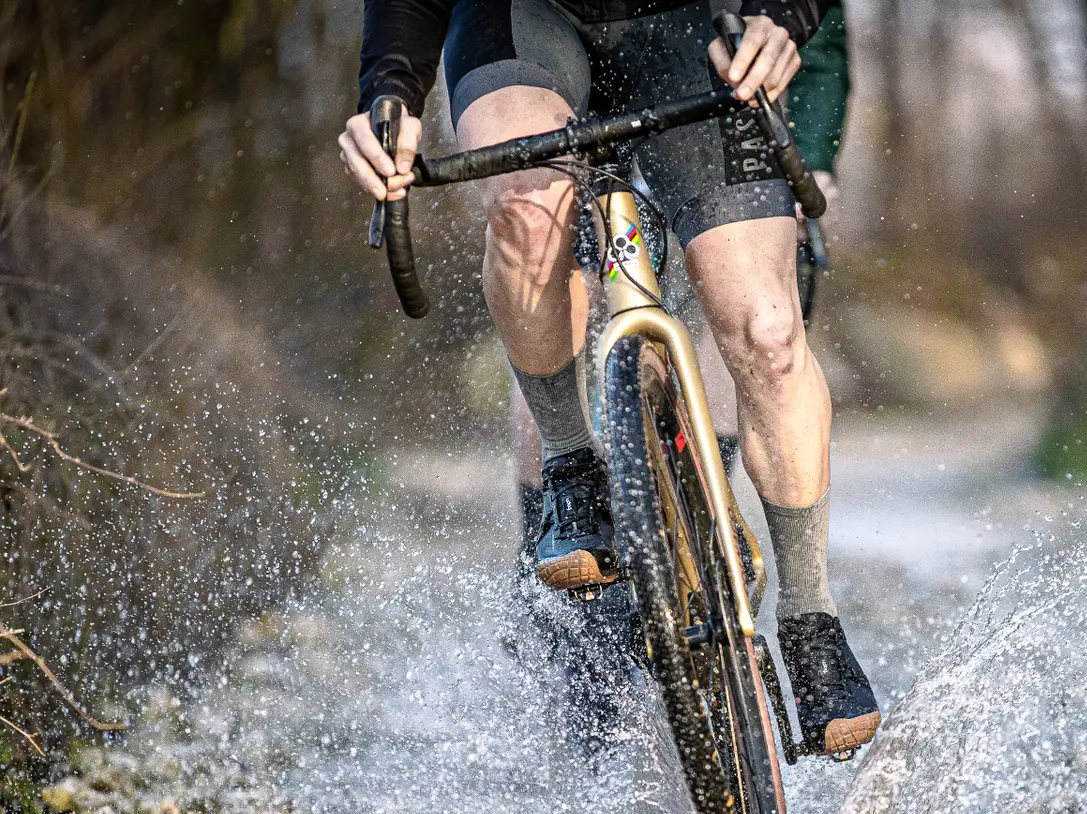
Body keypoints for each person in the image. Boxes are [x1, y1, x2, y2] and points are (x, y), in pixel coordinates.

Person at [339, 0, 879, 757]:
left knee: (765, 330)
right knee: (527, 215)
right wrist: (388, 93)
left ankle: (810, 614)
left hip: (691, 23)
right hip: (523, 22)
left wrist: (786, 14)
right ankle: (569, 469)